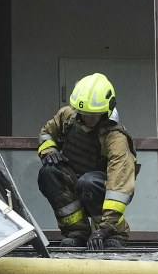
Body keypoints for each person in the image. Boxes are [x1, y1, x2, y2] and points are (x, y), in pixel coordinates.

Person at [36, 73, 139, 250]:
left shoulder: (115, 137)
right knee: (48, 173)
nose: (89, 118)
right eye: (84, 113)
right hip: (72, 177)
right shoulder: (67, 116)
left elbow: (118, 187)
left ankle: (115, 233)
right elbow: (46, 133)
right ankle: (77, 231)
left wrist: (106, 227)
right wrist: (48, 150)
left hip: (99, 185)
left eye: (94, 114)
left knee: (89, 182)